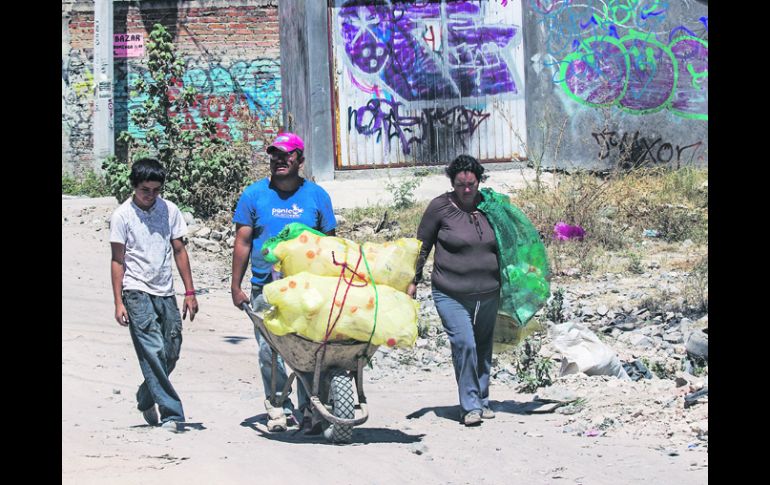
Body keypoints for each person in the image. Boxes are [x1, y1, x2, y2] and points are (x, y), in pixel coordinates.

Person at [231, 132, 337, 431]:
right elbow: (242, 241)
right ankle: (278, 406)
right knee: (270, 350)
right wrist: (235, 285)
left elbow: (330, 245)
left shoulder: (317, 196)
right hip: (266, 287)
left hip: (307, 289)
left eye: (287, 154)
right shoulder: (254, 195)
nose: (279, 160)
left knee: (310, 349)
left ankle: (310, 408)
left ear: (300, 160)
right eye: (275, 154)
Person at [407, 155, 499, 427]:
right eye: (461, 184)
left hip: (489, 291)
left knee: (483, 347)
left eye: (471, 184)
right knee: (465, 344)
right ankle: (470, 405)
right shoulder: (440, 208)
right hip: (450, 291)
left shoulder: (491, 207)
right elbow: (421, 245)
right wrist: (413, 278)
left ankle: (482, 398)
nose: (467, 190)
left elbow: (511, 239)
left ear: (479, 181)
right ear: (452, 183)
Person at [109, 158, 199, 433]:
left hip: (165, 290)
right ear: (135, 186)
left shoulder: (170, 210)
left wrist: (190, 291)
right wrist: (118, 301)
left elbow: (179, 250)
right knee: (153, 351)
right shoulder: (122, 215)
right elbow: (117, 260)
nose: (150, 195)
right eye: (145, 189)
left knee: (171, 352)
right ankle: (172, 413)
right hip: (136, 291)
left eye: (156, 190)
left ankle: (146, 396)